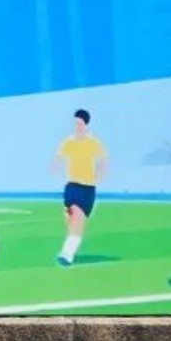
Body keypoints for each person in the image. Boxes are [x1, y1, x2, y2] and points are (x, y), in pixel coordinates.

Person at [54, 108, 107, 267]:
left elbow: (102, 162)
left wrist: (97, 177)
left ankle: (67, 254)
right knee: (72, 218)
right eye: (75, 123)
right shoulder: (68, 142)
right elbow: (58, 159)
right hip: (72, 186)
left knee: (77, 219)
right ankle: (68, 252)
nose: (76, 126)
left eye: (79, 123)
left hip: (88, 189)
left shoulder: (94, 143)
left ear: (85, 124)